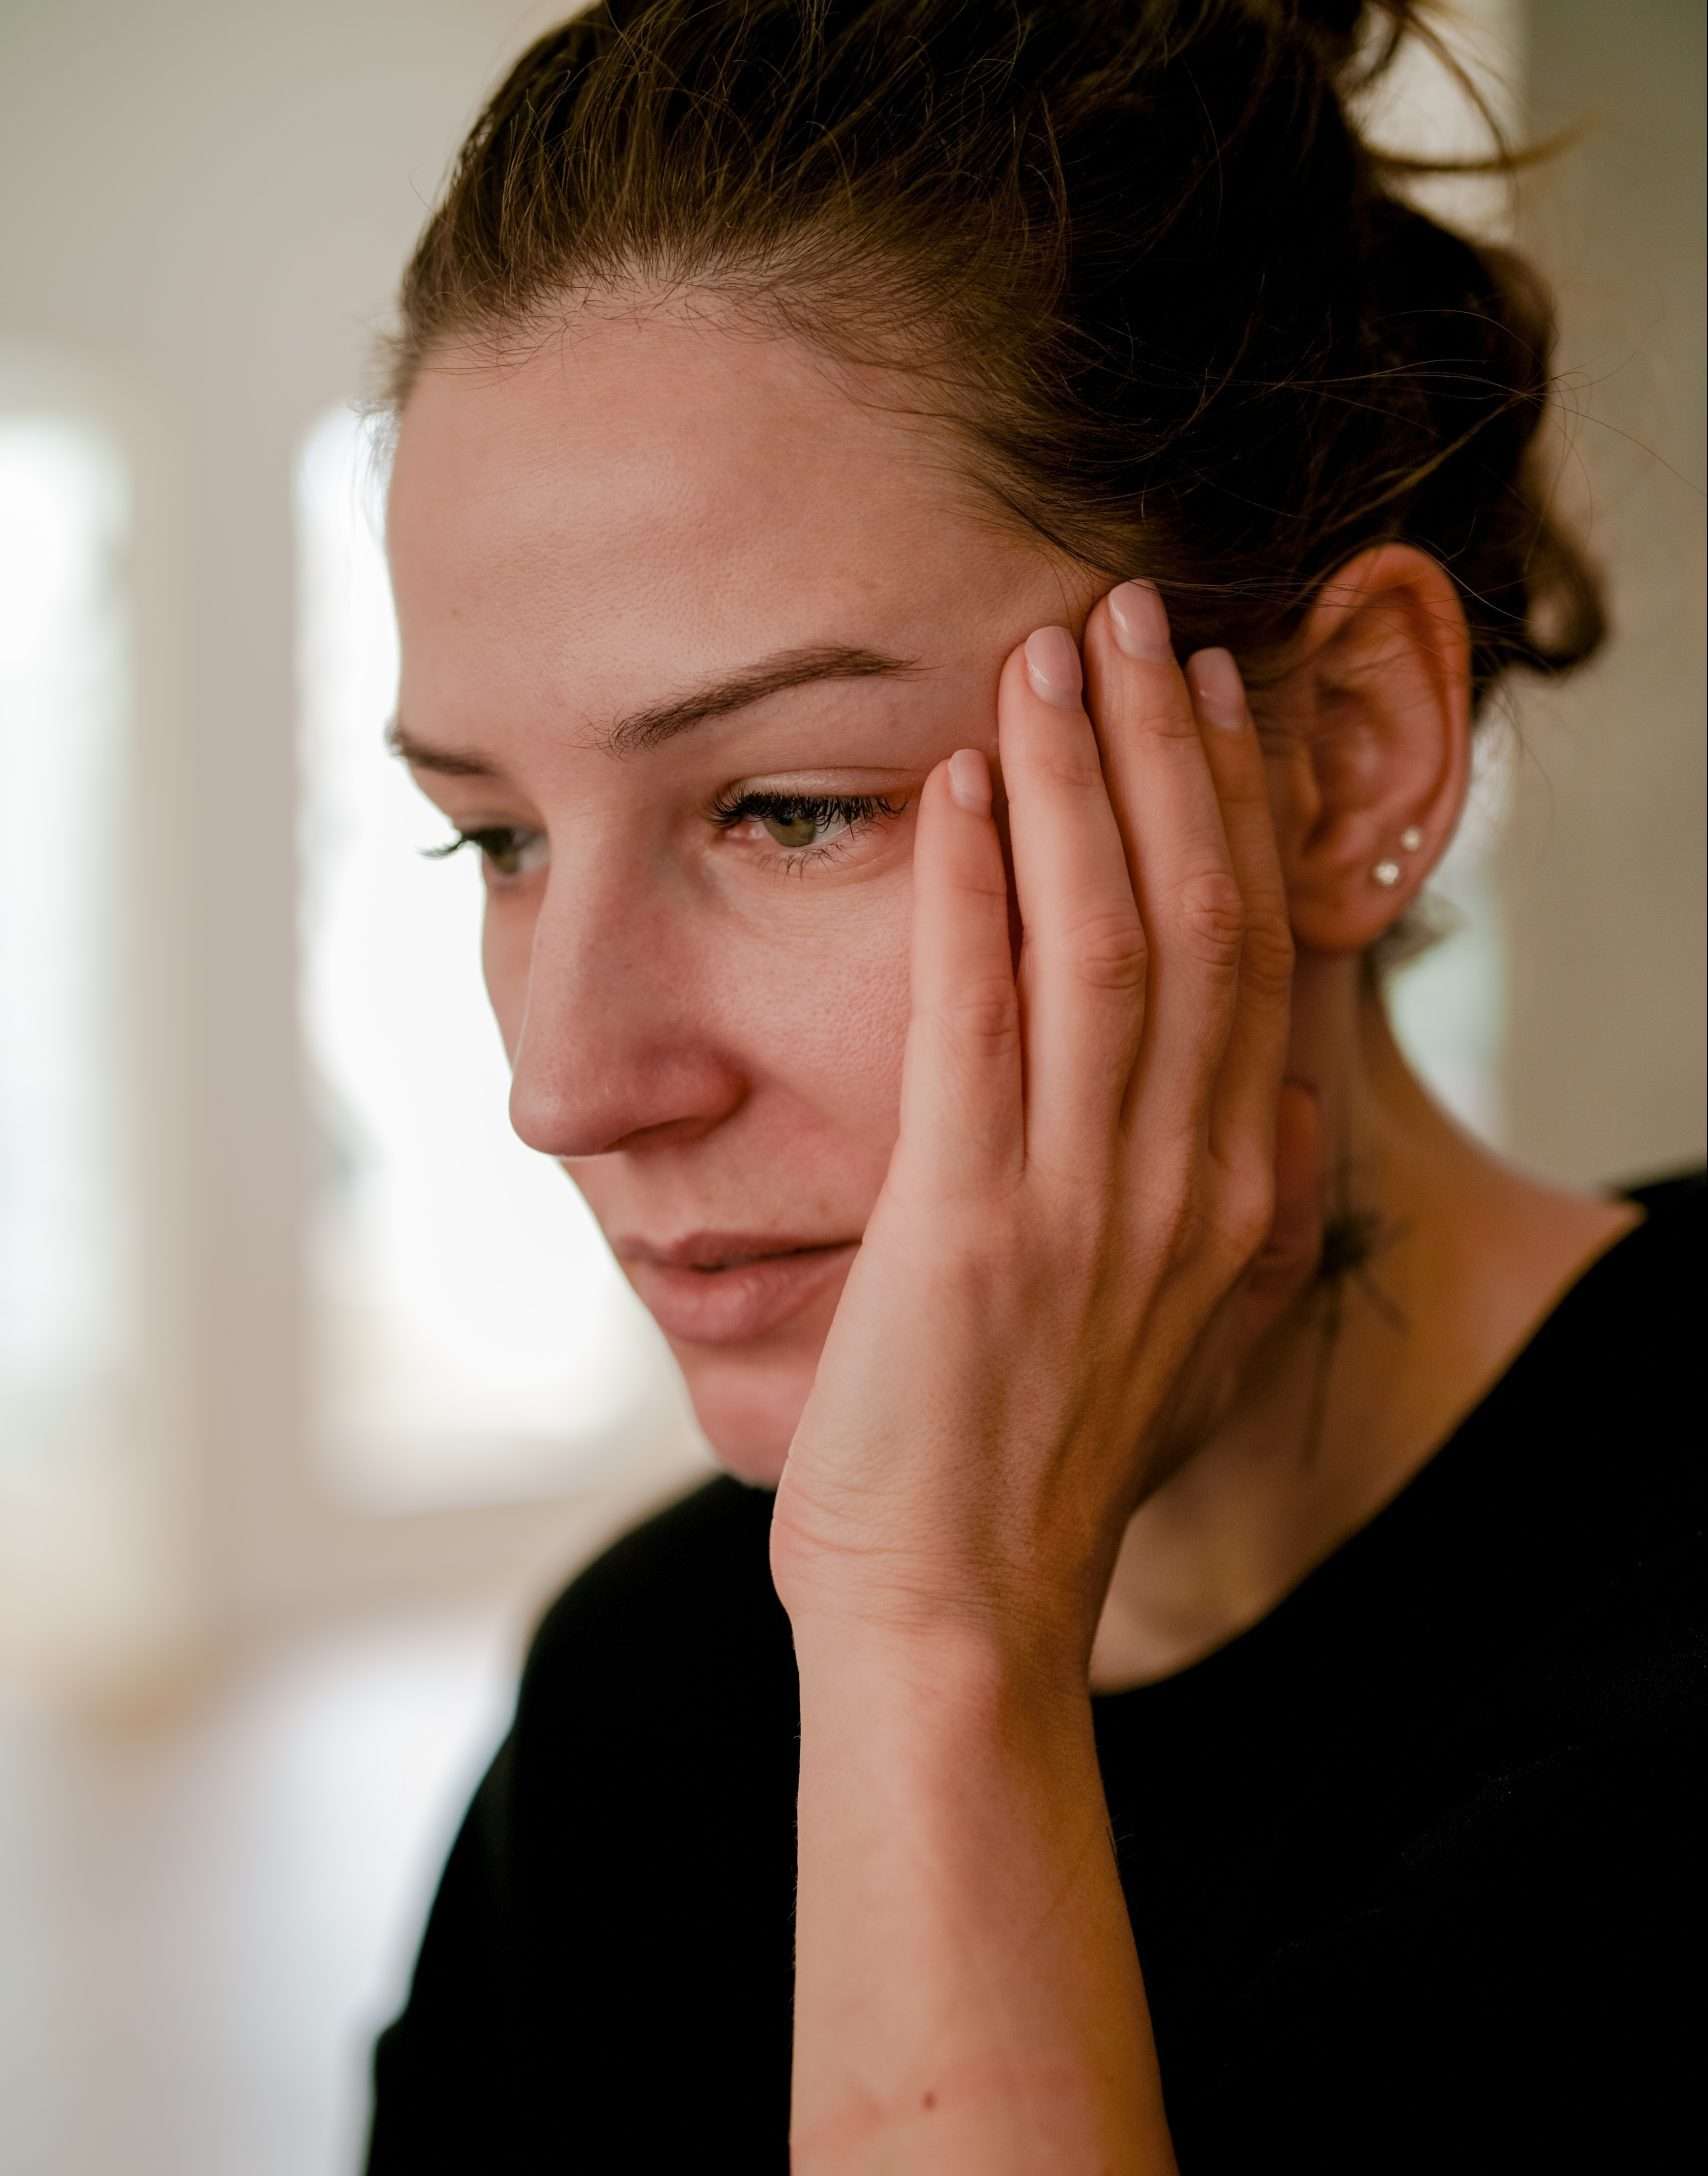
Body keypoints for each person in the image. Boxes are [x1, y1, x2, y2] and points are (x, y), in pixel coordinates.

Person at [360, 2, 1705, 2167]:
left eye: (791, 806)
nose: (571, 1080)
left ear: (1343, 748)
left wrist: (932, 1655)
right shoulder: (645, 1702)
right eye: (494, 835)